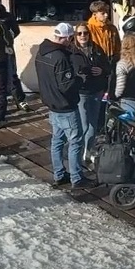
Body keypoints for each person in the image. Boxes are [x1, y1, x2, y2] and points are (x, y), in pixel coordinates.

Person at [35, 23, 93, 189]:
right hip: (65, 105)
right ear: (67, 38)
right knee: (75, 141)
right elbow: (66, 85)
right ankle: (77, 177)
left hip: (52, 104)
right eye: (71, 38)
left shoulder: (41, 53)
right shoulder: (60, 58)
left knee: (57, 141)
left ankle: (59, 174)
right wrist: (80, 79)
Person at [0, 0, 32, 112]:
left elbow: (16, 31)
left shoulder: (7, 16)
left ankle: (20, 100)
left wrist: (8, 40)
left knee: (12, 75)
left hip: (6, 50)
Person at [72, 22, 110, 155]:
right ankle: (78, 151)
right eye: (80, 33)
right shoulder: (72, 51)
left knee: (93, 124)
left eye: (86, 33)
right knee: (83, 124)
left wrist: (101, 70)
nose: (83, 36)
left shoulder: (97, 49)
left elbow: (107, 67)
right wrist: (81, 73)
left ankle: (87, 152)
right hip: (81, 92)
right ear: (75, 35)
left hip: (96, 90)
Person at [86, 1, 121, 71]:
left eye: (107, 12)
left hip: (111, 61)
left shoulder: (112, 28)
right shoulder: (88, 28)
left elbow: (118, 47)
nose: (106, 15)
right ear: (95, 14)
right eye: (103, 13)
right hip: (96, 61)